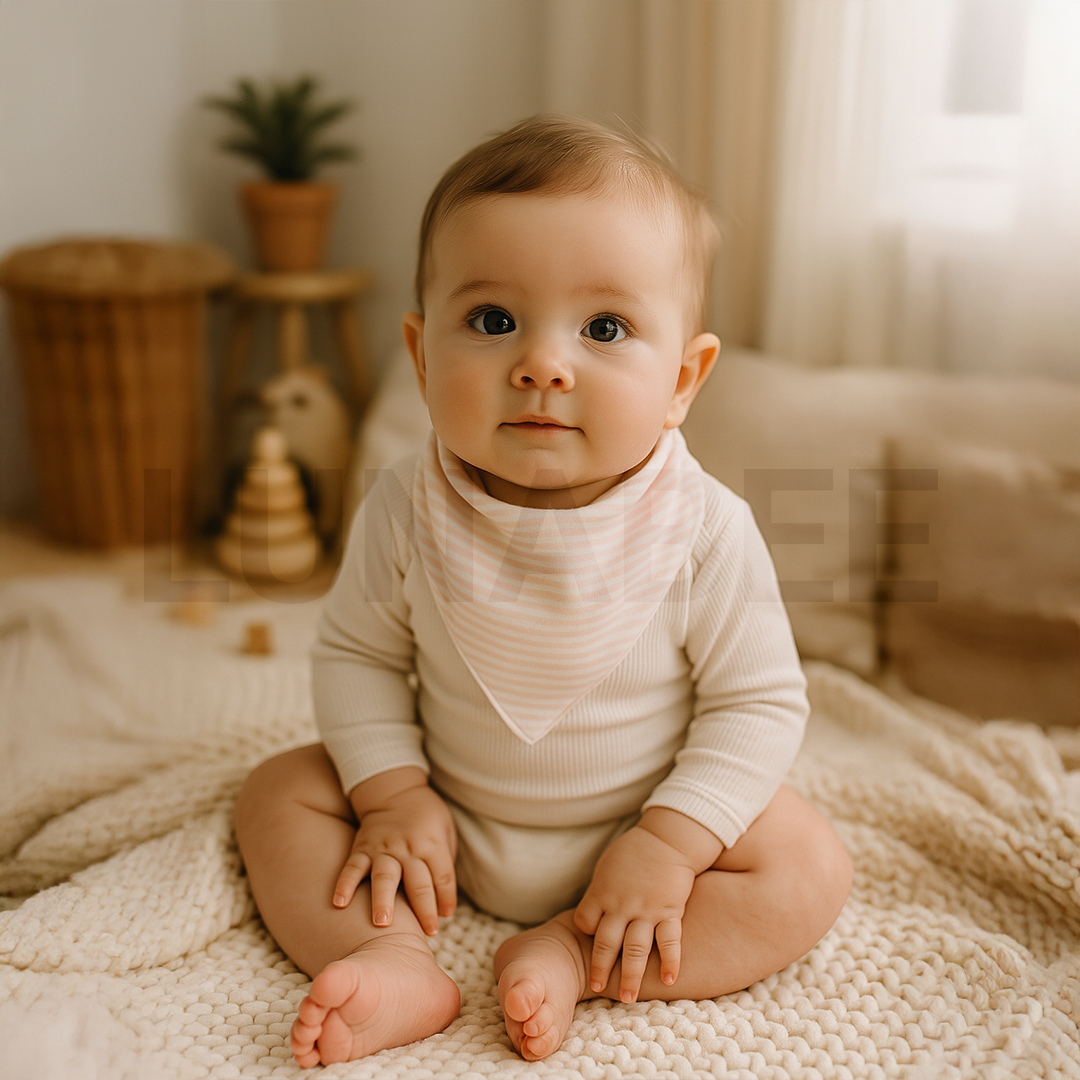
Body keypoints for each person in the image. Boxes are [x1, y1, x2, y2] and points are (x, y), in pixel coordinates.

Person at [234, 115, 853, 1067]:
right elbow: (358, 654)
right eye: (492, 321)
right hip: (439, 824)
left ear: (684, 379)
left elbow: (758, 702)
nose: (542, 363)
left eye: (605, 328)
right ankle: (393, 954)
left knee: (806, 866)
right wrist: (392, 795)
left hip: (640, 838)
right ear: (421, 353)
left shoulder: (705, 527)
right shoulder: (405, 503)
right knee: (280, 794)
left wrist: (672, 845)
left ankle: (572, 950)